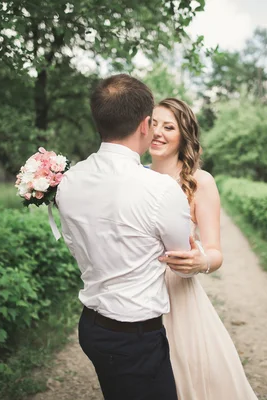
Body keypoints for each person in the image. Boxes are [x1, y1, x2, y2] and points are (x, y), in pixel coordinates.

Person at [56, 75, 193, 400]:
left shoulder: (68, 181)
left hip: (92, 328)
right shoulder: (160, 189)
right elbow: (179, 256)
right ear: (145, 125)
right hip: (136, 336)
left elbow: (75, 244)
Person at [150, 98, 259, 400]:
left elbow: (215, 252)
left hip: (178, 298)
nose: (158, 132)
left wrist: (201, 261)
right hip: (136, 295)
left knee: (188, 380)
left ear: (184, 136)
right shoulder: (137, 176)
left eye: (168, 127)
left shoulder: (200, 182)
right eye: (153, 123)